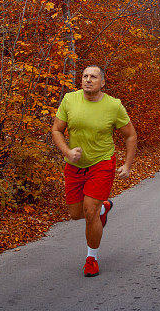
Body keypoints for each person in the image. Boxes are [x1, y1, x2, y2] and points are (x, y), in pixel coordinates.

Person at [51, 65, 137, 277]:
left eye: (93, 76)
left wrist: (127, 165)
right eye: (85, 76)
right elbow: (56, 130)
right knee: (75, 214)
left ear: (102, 82)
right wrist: (68, 152)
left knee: (89, 212)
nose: (88, 79)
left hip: (102, 163)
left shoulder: (113, 106)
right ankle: (102, 209)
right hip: (74, 166)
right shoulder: (70, 100)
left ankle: (91, 259)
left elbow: (130, 135)